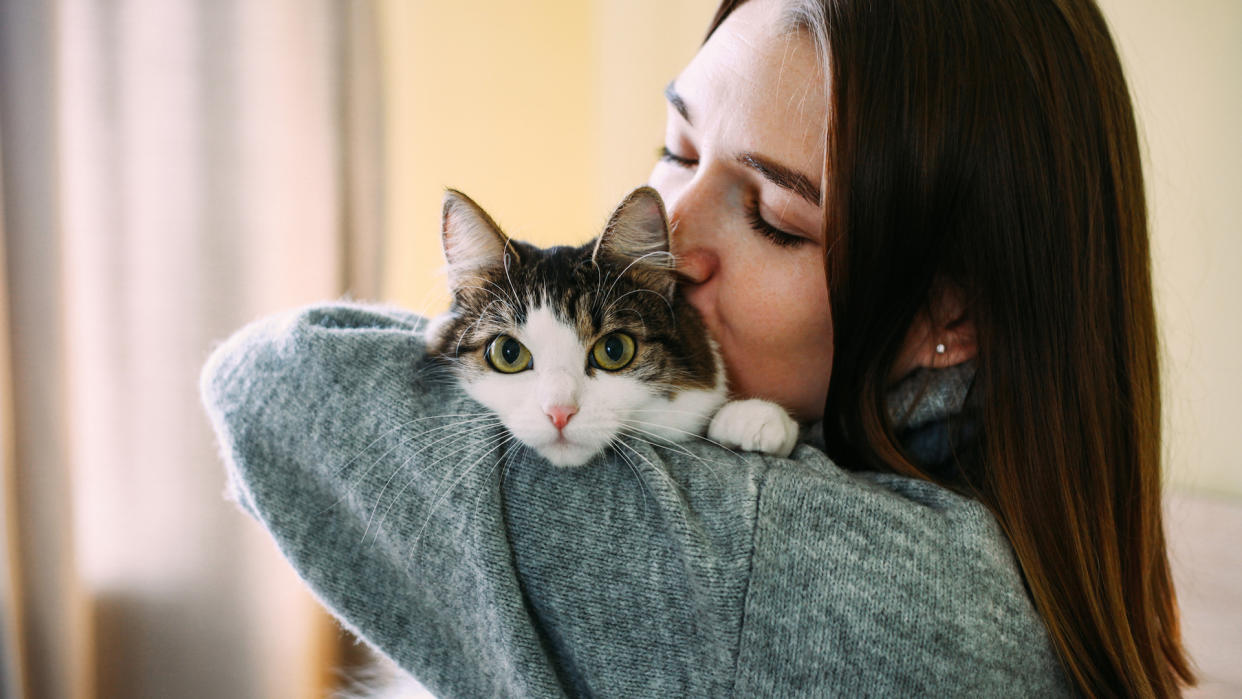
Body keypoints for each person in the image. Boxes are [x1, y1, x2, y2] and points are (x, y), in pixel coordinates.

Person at [201, 0, 1196, 695]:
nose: (668, 242)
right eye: (676, 150)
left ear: (950, 319)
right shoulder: (1009, 540)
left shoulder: (809, 579)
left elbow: (279, 386)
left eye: (771, 215)